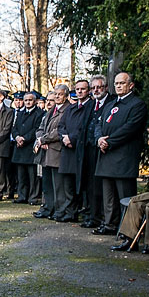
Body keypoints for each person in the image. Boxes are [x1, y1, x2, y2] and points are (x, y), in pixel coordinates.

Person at [93, 72, 148, 235]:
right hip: (106, 156)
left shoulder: (137, 105)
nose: (118, 86)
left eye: (122, 83)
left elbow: (130, 129)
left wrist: (109, 142)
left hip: (124, 157)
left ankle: (127, 230)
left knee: (125, 196)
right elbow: (98, 124)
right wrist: (99, 139)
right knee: (108, 195)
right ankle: (109, 224)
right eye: (116, 83)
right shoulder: (110, 104)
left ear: (131, 85)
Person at [55, 80, 93, 222]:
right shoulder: (71, 108)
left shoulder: (91, 107)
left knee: (82, 185)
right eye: (77, 89)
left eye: (83, 89)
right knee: (68, 184)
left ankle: (84, 212)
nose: (80, 92)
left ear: (88, 90)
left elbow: (86, 127)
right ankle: (70, 211)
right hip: (67, 151)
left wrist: (72, 139)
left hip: (80, 151)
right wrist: (64, 138)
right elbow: (61, 126)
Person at [81, 75, 110, 229]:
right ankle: (92, 216)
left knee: (101, 186)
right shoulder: (91, 105)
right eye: (93, 88)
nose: (96, 90)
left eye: (99, 87)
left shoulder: (111, 103)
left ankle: (103, 217)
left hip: (103, 150)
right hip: (88, 150)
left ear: (106, 88)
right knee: (90, 185)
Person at [34, 90, 64, 218]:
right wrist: (40, 139)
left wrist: (43, 139)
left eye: (52, 100)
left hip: (56, 152)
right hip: (45, 153)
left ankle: (58, 209)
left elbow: (58, 131)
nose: (49, 103)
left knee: (57, 184)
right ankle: (47, 207)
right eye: (47, 100)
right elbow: (40, 129)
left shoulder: (63, 112)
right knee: (46, 183)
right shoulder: (47, 114)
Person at [10, 91, 44, 204]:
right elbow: (14, 128)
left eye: (30, 100)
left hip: (30, 147)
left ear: (35, 101)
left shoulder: (39, 113)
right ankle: (22, 196)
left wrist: (24, 139)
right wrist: (17, 137)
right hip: (19, 147)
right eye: (26, 100)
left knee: (32, 175)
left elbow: (36, 129)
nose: (28, 102)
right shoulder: (20, 113)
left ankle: (33, 197)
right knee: (21, 175)